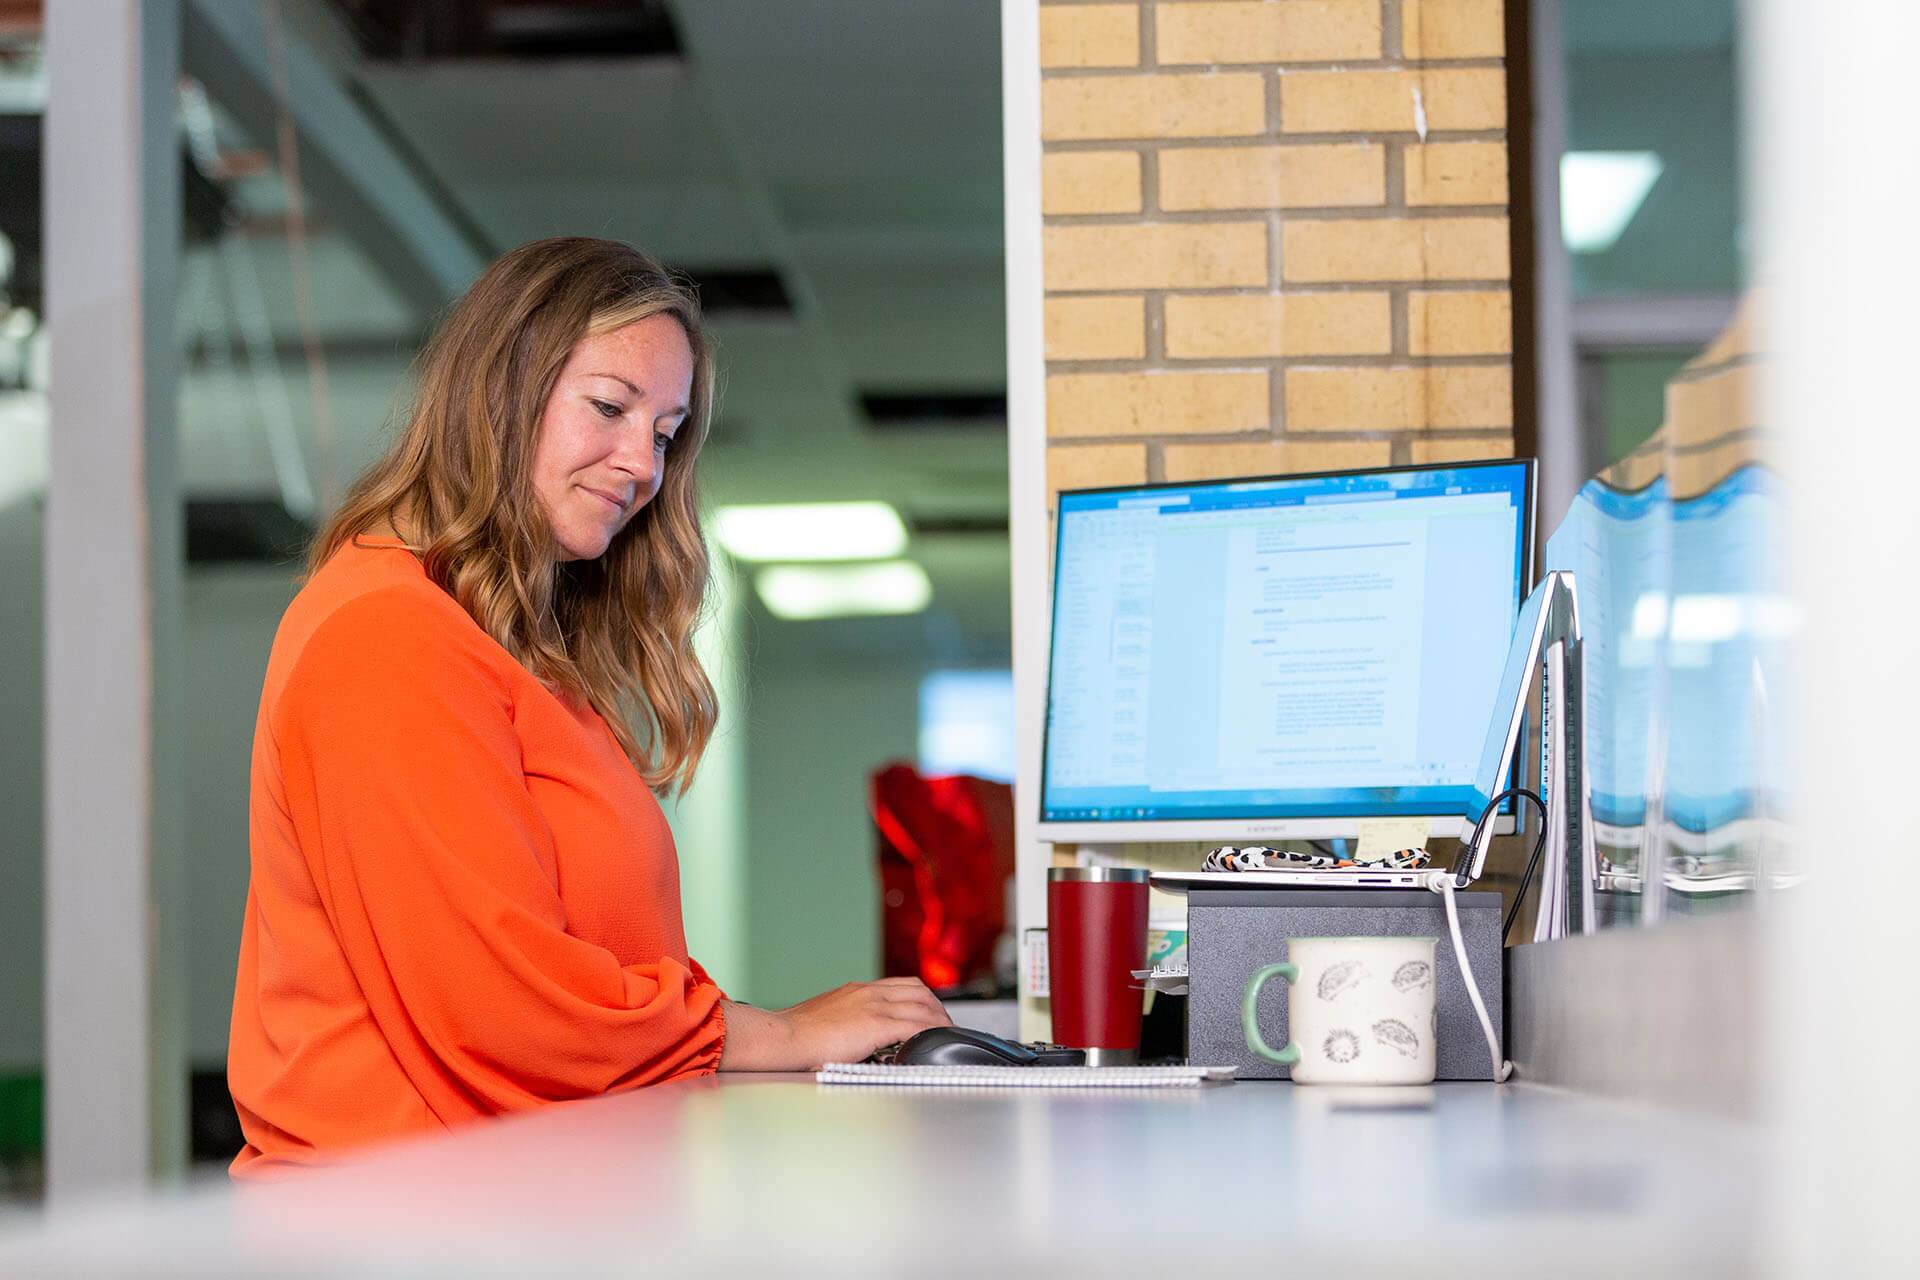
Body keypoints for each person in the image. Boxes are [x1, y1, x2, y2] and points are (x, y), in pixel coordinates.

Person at [227, 237, 949, 1176]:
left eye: (663, 432)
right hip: (396, 1225)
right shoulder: (385, 637)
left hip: (507, 1204)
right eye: (609, 407)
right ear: (502, 392)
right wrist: (778, 1031)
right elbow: (500, 1007)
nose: (640, 465)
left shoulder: (494, 645)